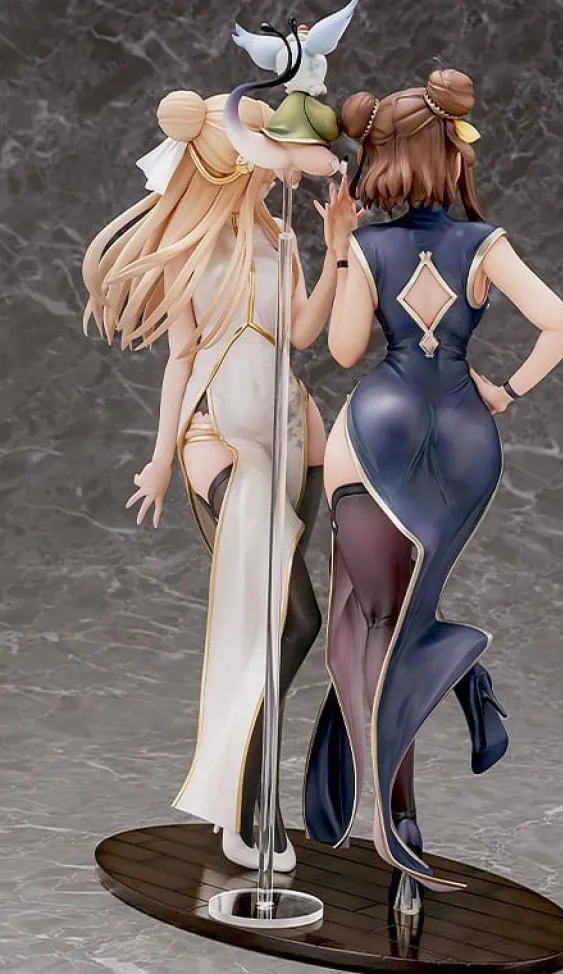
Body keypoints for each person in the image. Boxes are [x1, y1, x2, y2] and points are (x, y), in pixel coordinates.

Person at [304, 68, 563, 911]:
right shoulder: (484, 244)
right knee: (397, 621)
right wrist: (507, 391)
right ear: (451, 156)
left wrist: (340, 249)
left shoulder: (371, 247)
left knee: (370, 629)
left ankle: (403, 821)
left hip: (377, 435)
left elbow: (344, 351)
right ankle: (450, 694)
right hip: (465, 438)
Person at [82, 88, 353, 872]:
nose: (277, 167)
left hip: (292, 434)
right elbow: (180, 358)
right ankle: (242, 802)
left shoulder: (281, 235)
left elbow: (303, 332)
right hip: (221, 438)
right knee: (289, 620)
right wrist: (161, 458)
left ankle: (247, 793)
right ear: (231, 164)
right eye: (263, 153)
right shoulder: (192, 250)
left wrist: (337, 250)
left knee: (285, 623)